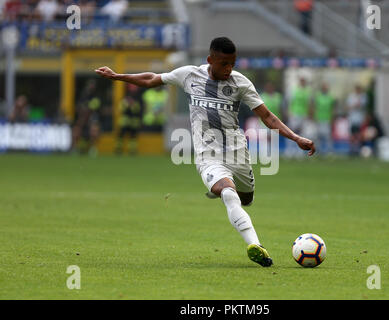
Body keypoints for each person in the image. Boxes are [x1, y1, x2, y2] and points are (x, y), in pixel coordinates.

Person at [95, 37, 315, 267]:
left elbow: (267, 116)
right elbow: (152, 78)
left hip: (237, 153)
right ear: (210, 60)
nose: (229, 68)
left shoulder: (240, 83)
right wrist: (118, 76)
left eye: (233, 63)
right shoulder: (189, 75)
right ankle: (256, 246)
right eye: (223, 63)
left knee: (245, 198)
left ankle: (224, 189)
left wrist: (296, 137)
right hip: (207, 155)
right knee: (229, 194)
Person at [285, 77, 312, 157]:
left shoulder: (307, 91)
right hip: (294, 114)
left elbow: (309, 104)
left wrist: (309, 114)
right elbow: (290, 102)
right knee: (291, 132)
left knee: (302, 134)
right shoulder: (294, 90)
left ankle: (299, 152)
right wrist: (289, 112)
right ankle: (289, 150)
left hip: (303, 114)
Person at [115, 85, 141, 155]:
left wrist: (132, 105)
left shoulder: (137, 99)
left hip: (133, 122)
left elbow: (137, 110)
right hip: (124, 121)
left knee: (133, 137)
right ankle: (118, 150)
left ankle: (132, 151)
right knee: (121, 136)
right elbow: (121, 108)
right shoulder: (124, 99)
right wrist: (127, 104)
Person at [312, 83, 335, 154]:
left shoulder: (330, 97)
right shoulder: (318, 97)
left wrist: (332, 118)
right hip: (319, 118)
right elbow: (314, 107)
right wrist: (314, 117)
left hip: (327, 118)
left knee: (327, 136)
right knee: (318, 136)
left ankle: (329, 151)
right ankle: (317, 150)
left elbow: (332, 109)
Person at [346, 84, 367, 155]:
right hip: (352, 118)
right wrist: (354, 105)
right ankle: (352, 149)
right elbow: (349, 106)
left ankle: (358, 149)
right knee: (352, 135)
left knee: (358, 135)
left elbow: (360, 105)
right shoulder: (351, 96)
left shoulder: (363, 96)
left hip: (359, 119)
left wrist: (355, 105)